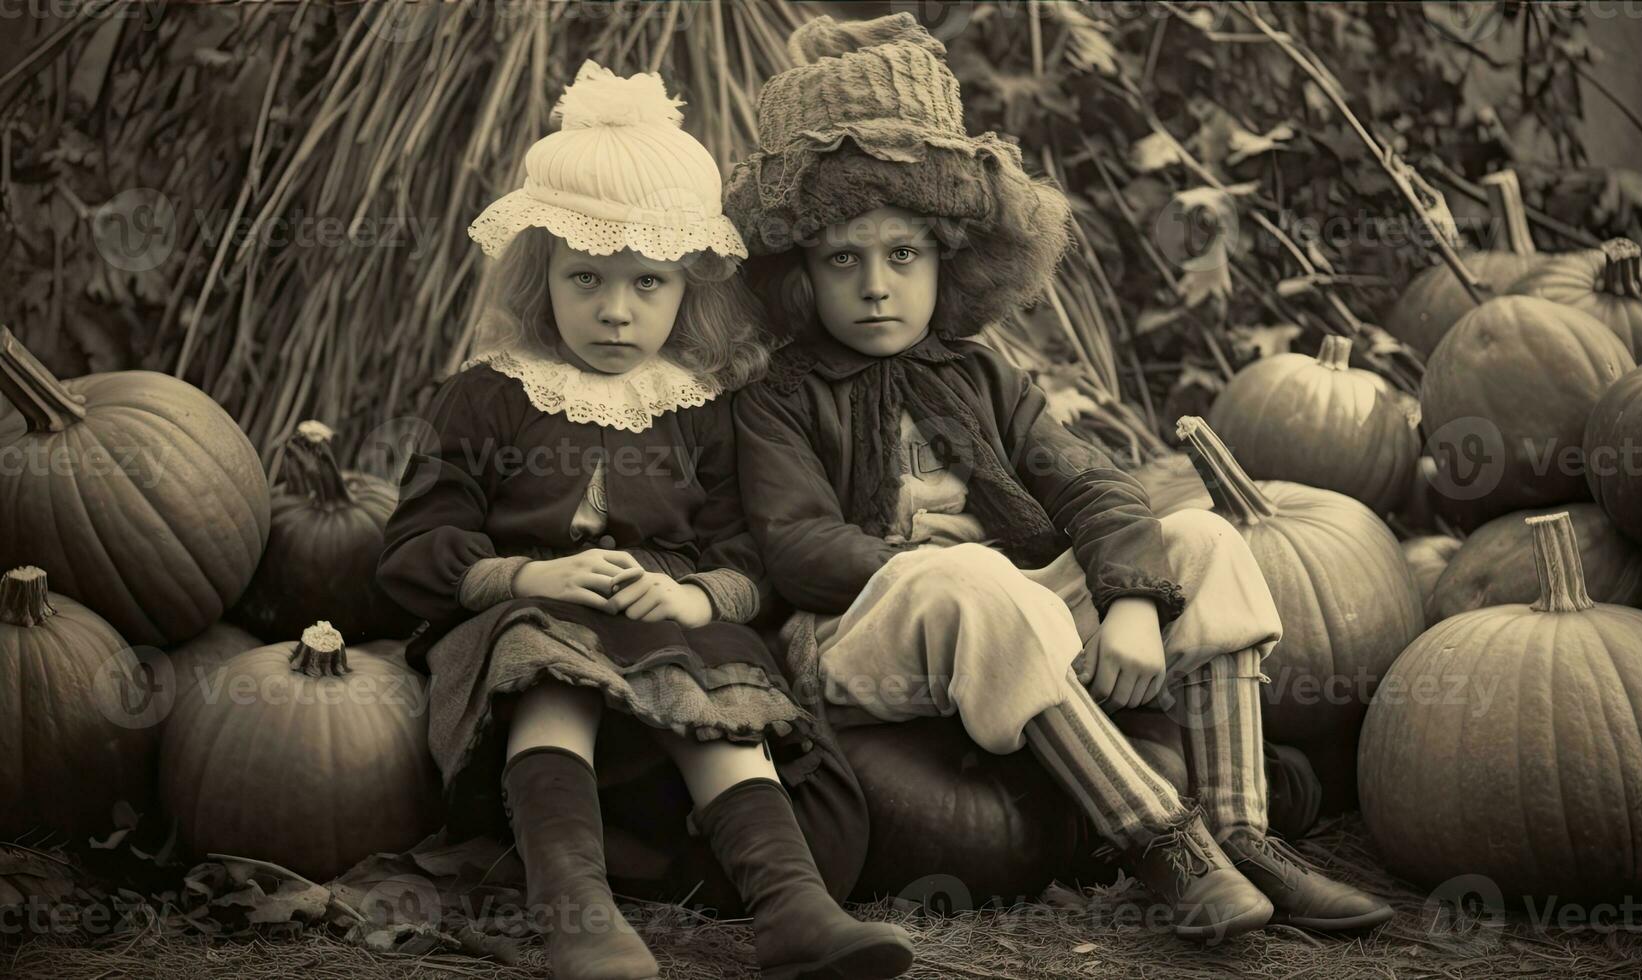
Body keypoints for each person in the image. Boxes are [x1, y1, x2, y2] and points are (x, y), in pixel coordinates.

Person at [723, 13, 1393, 942]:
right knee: (970, 575)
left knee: (1204, 539)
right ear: (799, 275)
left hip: (1014, 618)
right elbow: (798, 546)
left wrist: (1127, 599)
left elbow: (1093, 483)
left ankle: (1242, 834)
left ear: (948, 258)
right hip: (864, 636)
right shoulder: (778, 397)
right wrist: (943, 570)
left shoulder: (983, 371)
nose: (876, 285)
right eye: (845, 258)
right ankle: (1163, 841)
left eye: (902, 255)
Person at [378, 61, 913, 980]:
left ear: (689, 286)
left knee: (724, 690)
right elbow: (412, 547)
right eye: (584, 278)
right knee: (549, 662)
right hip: (528, 626)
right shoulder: (485, 397)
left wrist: (701, 598)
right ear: (537, 271)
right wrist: (524, 575)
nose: (616, 311)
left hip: (672, 645)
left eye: (647, 284)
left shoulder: (701, 406)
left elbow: (745, 549)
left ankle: (791, 908)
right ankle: (576, 914)